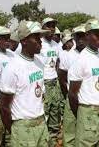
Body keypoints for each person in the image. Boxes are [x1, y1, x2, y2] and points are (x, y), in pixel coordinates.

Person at [0, 21, 50, 147]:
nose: (40, 41)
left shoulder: (39, 63)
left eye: (40, 37)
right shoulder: (13, 67)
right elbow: (4, 107)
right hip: (22, 126)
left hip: (41, 123)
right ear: (24, 41)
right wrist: (16, 131)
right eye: (36, 37)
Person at [68, 19, 99, 146]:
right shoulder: (81, 60)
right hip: (87, 112)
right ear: (87, 35)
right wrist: (82, 115)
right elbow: (72, 94)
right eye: (97, 35)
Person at [58, 24, 86, 147]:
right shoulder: (68, 55)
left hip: (87, 100)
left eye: (83, 36)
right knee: (69, 133)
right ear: (73, 38)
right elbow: (62, 77)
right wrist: (68, 94)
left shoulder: (92, 55)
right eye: (77, 36)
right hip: (72, 97)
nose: (80, 39)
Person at [39, 17, 63, 146]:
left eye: (53, 26)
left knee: (55, 112)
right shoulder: (39, 43)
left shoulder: (56, 44)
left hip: (54, 82)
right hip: (43, 82)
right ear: (43, 27)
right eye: (49, 26)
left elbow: (58, 63)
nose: (52, 28)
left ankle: (53, 141)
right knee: (44, 113)